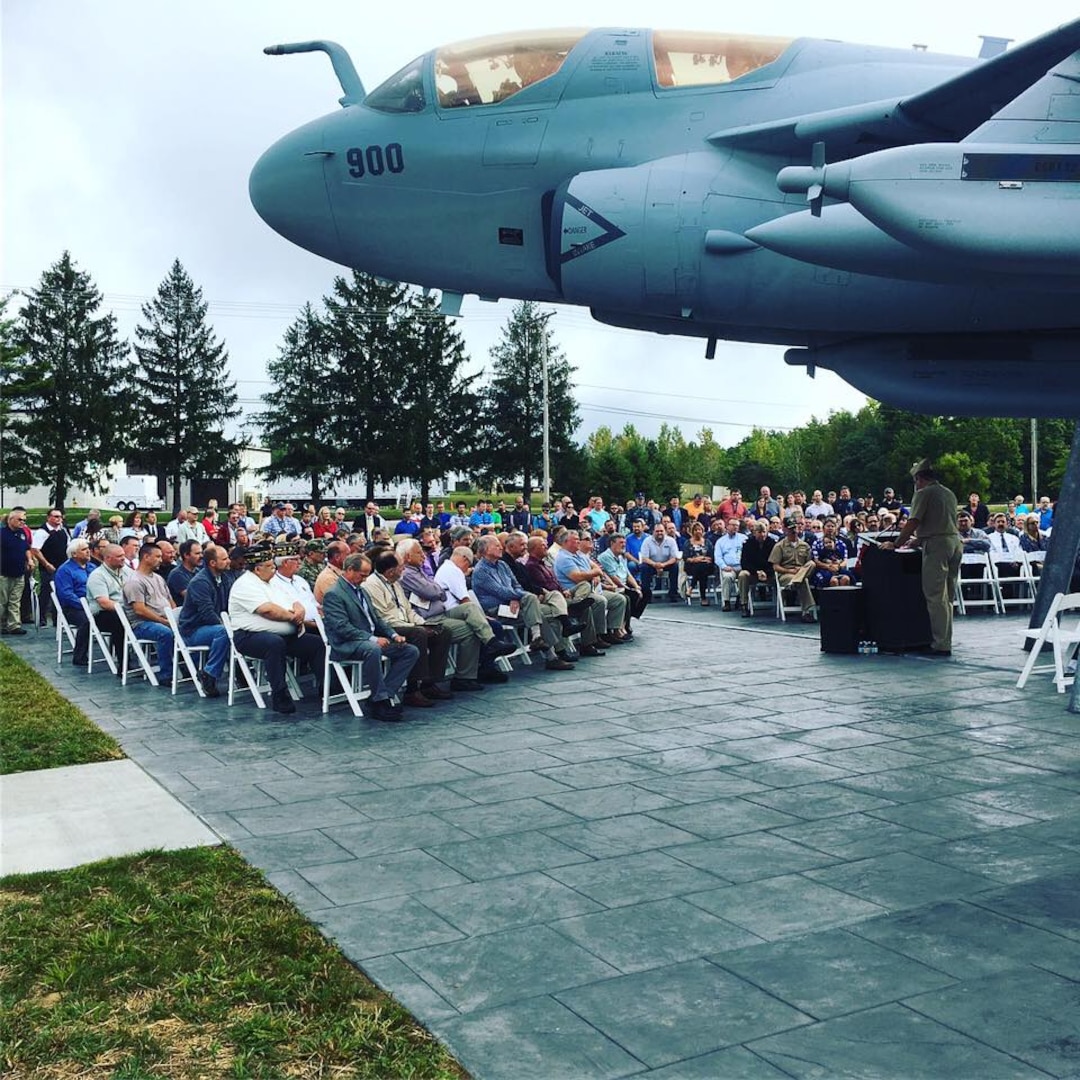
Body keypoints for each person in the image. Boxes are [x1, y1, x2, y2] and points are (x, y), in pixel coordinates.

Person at [227, 546, 326, 715]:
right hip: (249, 636)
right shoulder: (245, 584)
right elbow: (267, 610)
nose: (274, 569)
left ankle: (327, 688)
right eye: (270, 566)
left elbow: (295, 601)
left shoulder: (272, 582)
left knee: (317, 645)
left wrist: (299, 610)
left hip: (286, 634)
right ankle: (280, 694)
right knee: (274, 644)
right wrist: (293, 618)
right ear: (257, 569)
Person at [321, 553, 420, 722]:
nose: (365, 579)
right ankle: (380, 700)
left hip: (366, 639)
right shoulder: (334, 594)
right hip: (347, 643)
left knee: (410, 651)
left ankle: (383, 695)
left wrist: (393, 634)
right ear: (350, 570)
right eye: (362, 575)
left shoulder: (361, 591)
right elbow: (342, 628)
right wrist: (372, 639)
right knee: (373, 648)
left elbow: (376, 618)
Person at [881, 459, 962, 656]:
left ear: (919, 479)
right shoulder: (948, 493)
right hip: (954, 542)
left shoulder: (923, 493)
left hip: (937, 547)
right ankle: (946, 638)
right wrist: (919, 539)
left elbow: (913, 521)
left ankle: (941, 643)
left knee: (935, 596)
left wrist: (897, 543)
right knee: (948, 596)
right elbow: (941, 521)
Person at [177, 544, 233, 697]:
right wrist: (229, 626)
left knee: (234, 630)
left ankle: (241, 674)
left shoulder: (224, 578)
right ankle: (209, 674)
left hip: (211, 627)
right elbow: (208, 614)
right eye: (224, 558)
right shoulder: (200, 582)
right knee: (224, 632)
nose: (229, 561)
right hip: (193, 631)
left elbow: (230, 605)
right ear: (212, 563)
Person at [122, 543, 176, 685]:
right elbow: (140, 610)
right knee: (165, 633)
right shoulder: (134, 581)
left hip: (164, 618)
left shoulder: (158, 578)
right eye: (157, 556)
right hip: (141, 624)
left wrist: (175, 616)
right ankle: (166, 675)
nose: (161, 559)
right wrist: (164, 621)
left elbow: (170, 601)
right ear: (146, 557)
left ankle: (192, 669)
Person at [53, 538, 93, 666]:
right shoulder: (65, 570)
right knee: (87, 621)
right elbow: (66, 595)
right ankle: (79, 656)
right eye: (84, 550)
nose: (88, 552)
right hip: (73, 608)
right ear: (74, 554)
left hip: (94, 603)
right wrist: (85, 605)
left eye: (88, 549)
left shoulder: (92, 567)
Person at [769, 517, 816, 621]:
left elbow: (808, 564)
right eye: (791, 529)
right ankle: (806, 612)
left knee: (812, 564)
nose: (794, 531)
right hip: (786, 574)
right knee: (804, 581)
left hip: (802, 571)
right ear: (785, 530)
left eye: (795, 528)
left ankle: (795, 581)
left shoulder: (805, 545)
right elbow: (775, 566)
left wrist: (801, 570)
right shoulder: (779, 546)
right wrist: (789, 571)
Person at [1, 508, 33, 635]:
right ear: (10, 519)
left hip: (19, 572)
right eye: (20, 520)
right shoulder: (2, 533)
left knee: (15, 601)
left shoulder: (22, 533)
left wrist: (30, 560)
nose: (22, 522)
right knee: (2, 601)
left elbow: (26, 548)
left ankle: (14, 625)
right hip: (3, 573)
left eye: (24, 520)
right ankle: (2, 624)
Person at [681, 521, 714, 605]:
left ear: (702, 531)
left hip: (706, 566)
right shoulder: (687, 543)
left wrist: (701, 558)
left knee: (701, 567)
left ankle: (691, 587)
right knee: (700, 569)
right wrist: (694, 560)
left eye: (699, 530)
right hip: (691, 566)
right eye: (696, 530)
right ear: (692, 532)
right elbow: (685, 557)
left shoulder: (707, 542)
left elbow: (712, 556)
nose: (698, 531)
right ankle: (703, 598)